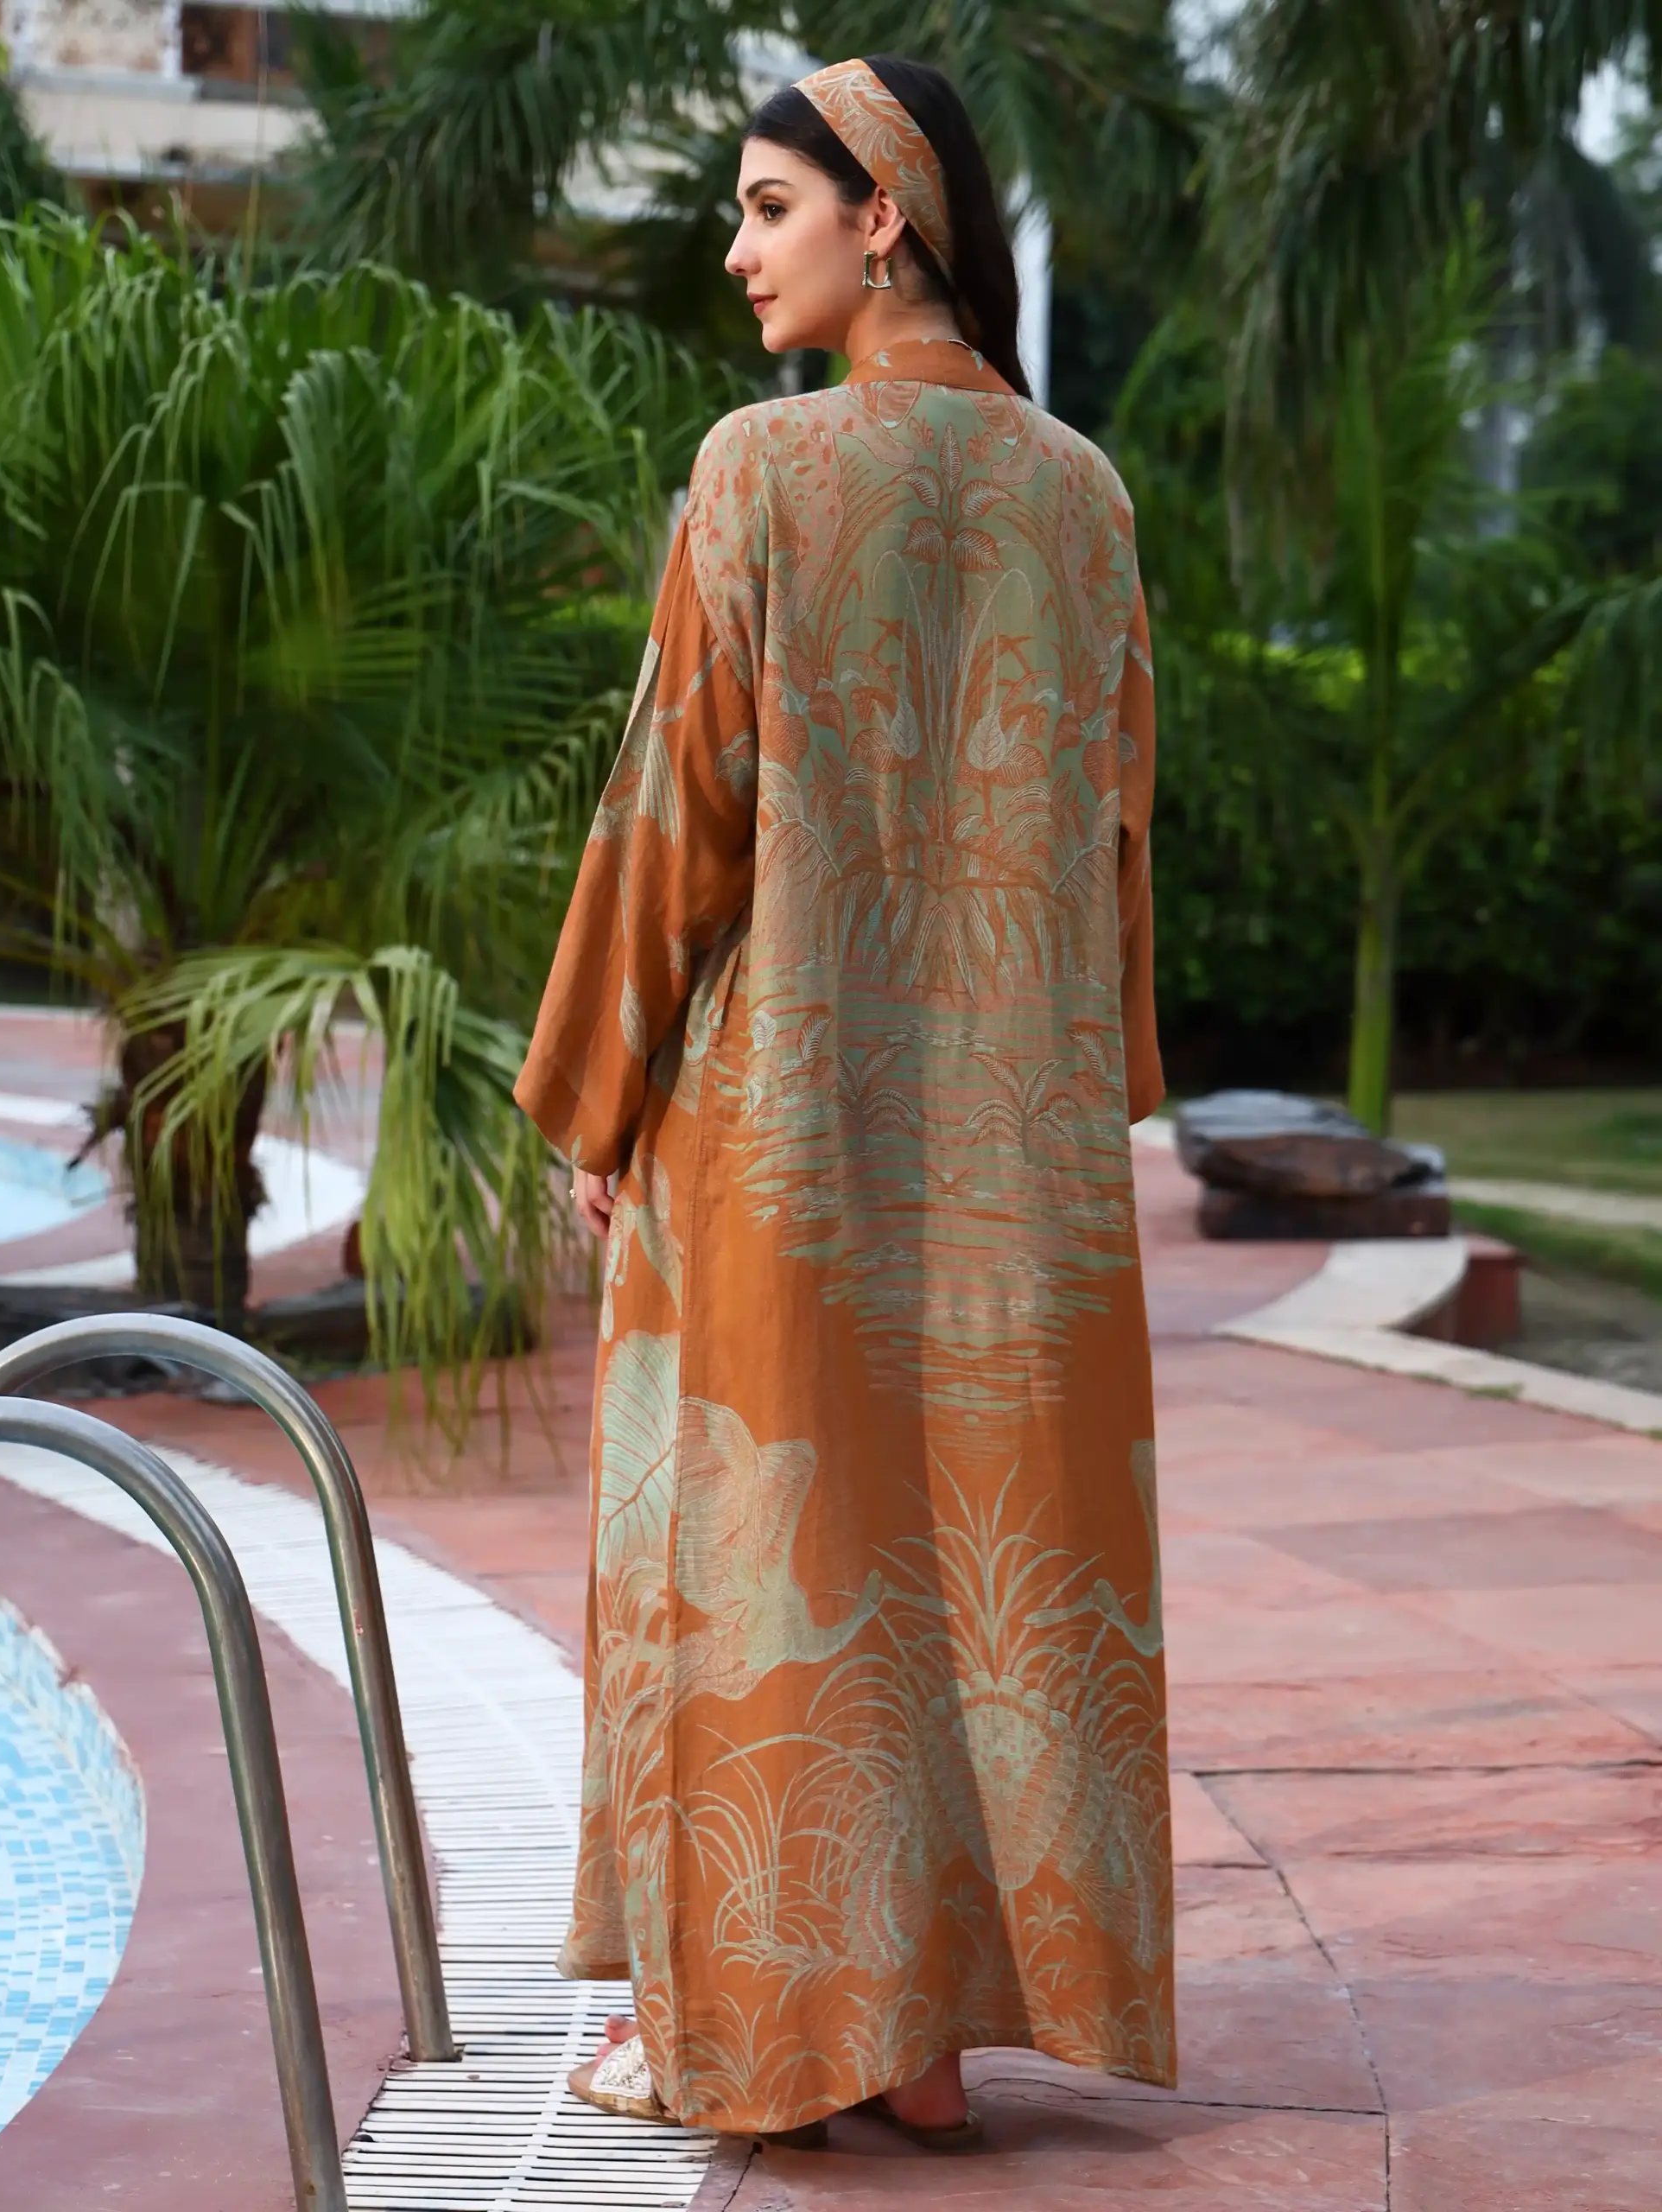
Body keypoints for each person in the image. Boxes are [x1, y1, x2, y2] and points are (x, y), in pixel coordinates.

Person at [513, 53, 1173, 2155]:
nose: (737, 250)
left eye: (768, 207)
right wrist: (1084, 1104)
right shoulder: (1083, 493)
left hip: (778, 1131)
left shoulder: (760, 469)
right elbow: (1115, 832)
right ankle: (927, 2042)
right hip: (1010, 1151)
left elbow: (672, 814)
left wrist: (596, 1096)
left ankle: (750, 2038)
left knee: (765, 1567)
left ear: (885, 215)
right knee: (969, 1565)